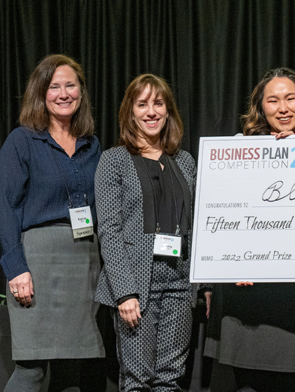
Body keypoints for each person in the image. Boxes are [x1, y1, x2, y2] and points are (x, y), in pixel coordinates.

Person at [203, 67, 295, 392]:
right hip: (251, 302)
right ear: (260, 108)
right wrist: (234, 261)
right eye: (273, 100)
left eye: (290, 98)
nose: (282, 108)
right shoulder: (238, 150)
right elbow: (222, 215)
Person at [0, 54, 104, 390]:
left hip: (83, 262)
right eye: (54, 87)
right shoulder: (22, 140)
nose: (64, 93)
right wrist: (16, 269)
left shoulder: (92, 145)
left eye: (71, 85)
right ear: (41, 93)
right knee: (32, 369)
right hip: (37, 264)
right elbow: (5, 209)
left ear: (81, 92)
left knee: (72, 369)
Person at [94, 74, 201, 390]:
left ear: (168, 111)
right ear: (130, 111)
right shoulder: (114, 160)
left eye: (158, 103)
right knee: (138, 380)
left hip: (180, 283)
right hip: (136, 285)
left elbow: (197, 223)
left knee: (170, 378)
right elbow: (109, 230)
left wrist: (204, 282)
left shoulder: (185, 161)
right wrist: (124, 292)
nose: (151, 111)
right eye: (142, 104)